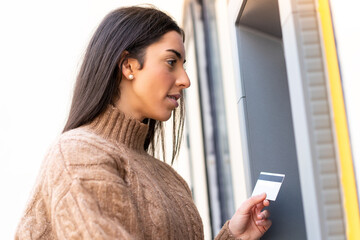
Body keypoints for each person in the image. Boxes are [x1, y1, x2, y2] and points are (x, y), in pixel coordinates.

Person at [15, 6, 271, 240]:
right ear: (128, 65)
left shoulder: (170, 179)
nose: (185, 80)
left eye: (183, 65)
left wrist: (235, 237)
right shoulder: (78, 154)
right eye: (171, 62)